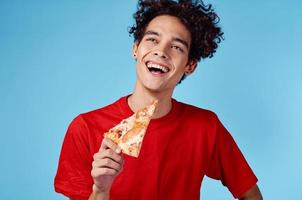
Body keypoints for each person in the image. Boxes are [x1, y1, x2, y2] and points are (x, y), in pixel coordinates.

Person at [54, 0, 263, 199]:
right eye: (153, 39)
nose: (161, 51)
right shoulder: (85, 128)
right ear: (136, 48)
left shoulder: (206, 127)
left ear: (190, 65)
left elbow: (251, 194)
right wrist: (101, 189)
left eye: (177, 47)